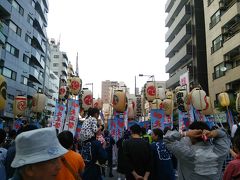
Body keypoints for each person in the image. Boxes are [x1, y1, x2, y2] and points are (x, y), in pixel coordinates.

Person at [163, 121, 230, 180]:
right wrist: (214, 133)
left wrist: (185, 133)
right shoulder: (220, 150)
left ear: (192, 137)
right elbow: (224, 135)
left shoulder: (187, 153)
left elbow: (167, 139)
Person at [79, 107, 107, 180]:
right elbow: (95, 130)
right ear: (96, 114)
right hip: (94, 172)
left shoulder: (87, 119)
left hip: (84, 140)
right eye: (98, 115)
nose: (98, 117)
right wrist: (101, 127)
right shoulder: (93, 119)